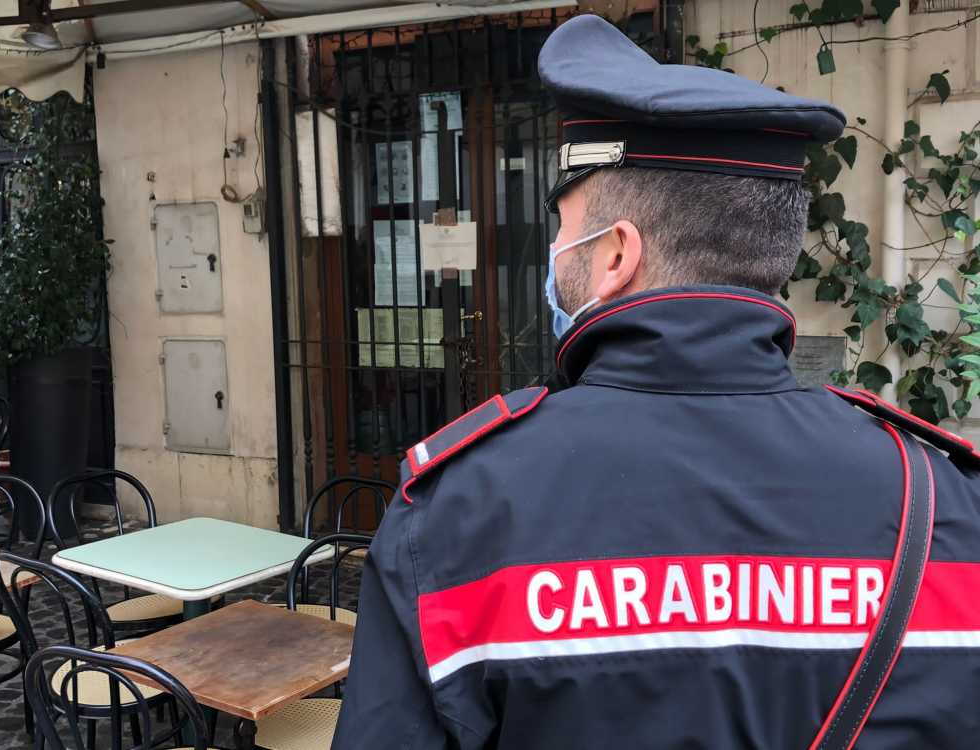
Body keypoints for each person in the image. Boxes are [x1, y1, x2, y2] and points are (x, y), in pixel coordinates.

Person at [332, 14, 980, 750]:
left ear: (616, 254)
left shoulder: (460, 514)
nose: (554, 252)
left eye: (563, 227)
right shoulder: (947, 504)